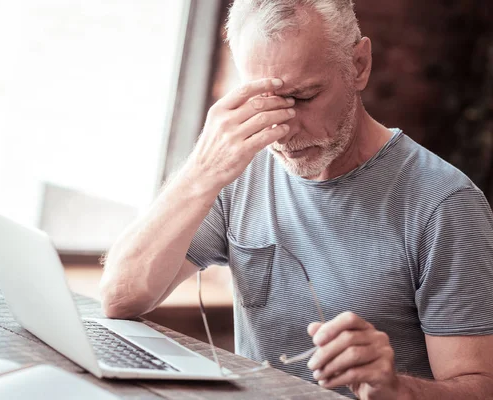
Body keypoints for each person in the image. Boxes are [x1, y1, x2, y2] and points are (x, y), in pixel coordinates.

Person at [99, 0, 493, 398]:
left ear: (359, 65)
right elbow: (120, 297)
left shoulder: (445, 204)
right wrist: (202, 168)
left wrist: (396, 390)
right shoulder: (241, 168)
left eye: (304, 97)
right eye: (265, 102)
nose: (283, 131)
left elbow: (480, 389)